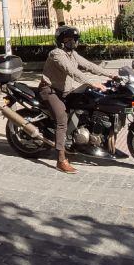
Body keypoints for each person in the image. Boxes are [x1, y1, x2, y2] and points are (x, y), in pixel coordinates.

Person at [37, 25, 117, 174]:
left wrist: (110, 75)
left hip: (65, 91)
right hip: (49, 91)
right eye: (69, 39)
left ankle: (78, 138)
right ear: (61, 41)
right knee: (62, 119)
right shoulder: (57, 54)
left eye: (74, 39)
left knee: (89, 101)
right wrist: (91, 82)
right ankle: (61, 160)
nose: (72, 42)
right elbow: (71, 70)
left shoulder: (72, 54)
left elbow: (88, 65)